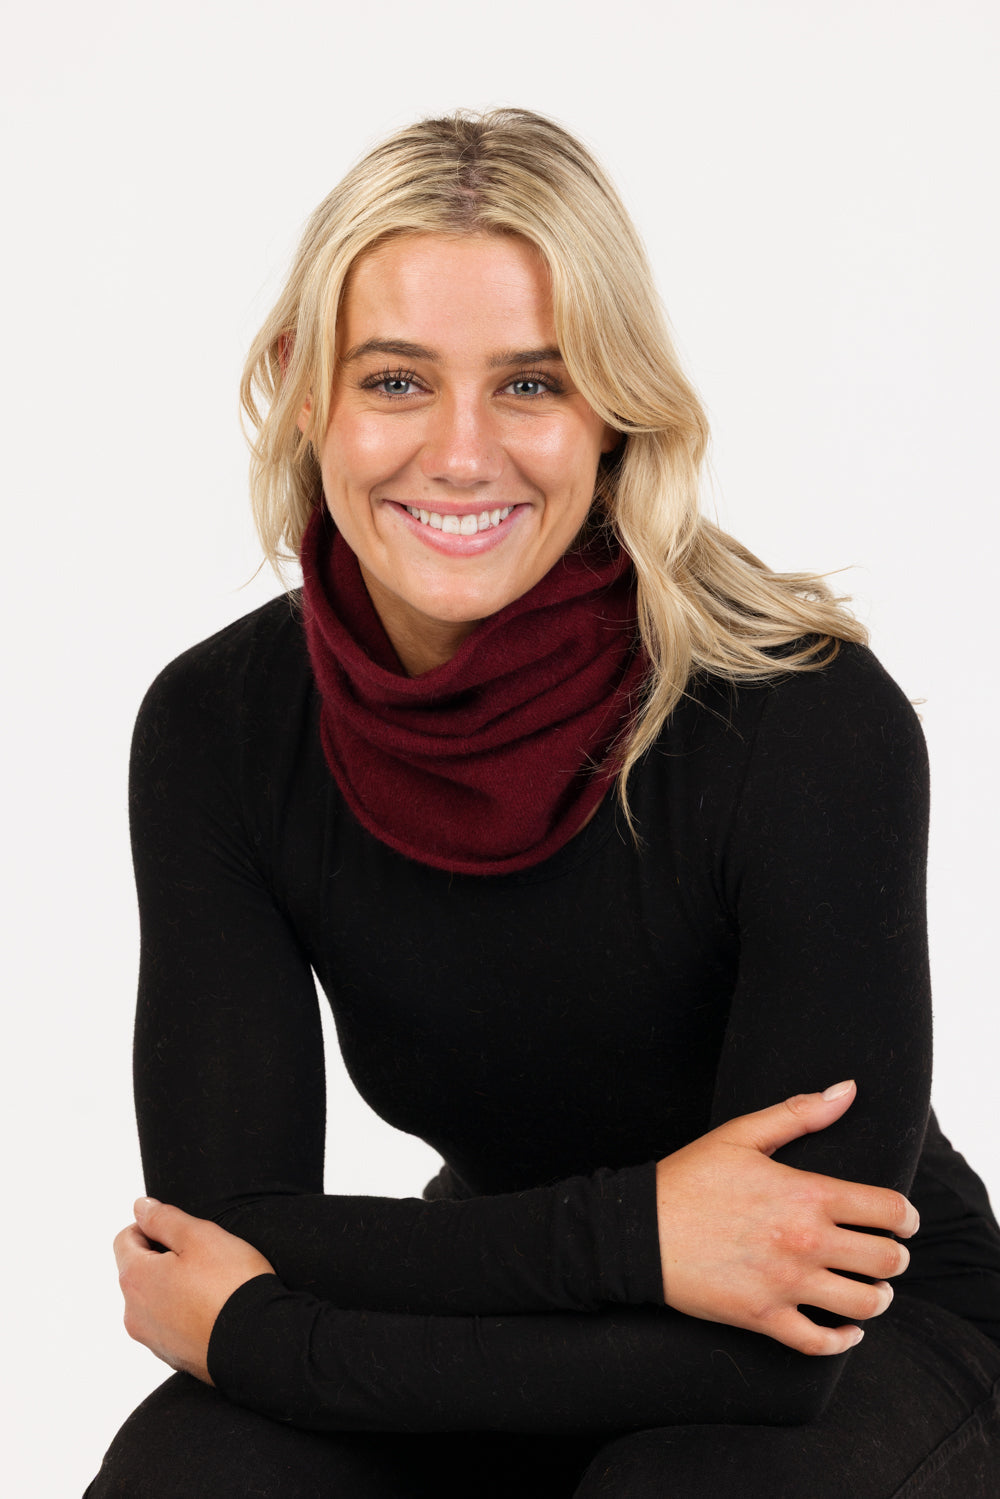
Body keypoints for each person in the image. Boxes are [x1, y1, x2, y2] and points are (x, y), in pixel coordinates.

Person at [88, 109, 1000, 1497]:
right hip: (511, 1299)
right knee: (196, 1469)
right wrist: (641, 1236)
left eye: (531, 383)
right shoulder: (220, 725)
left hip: (870, 1352)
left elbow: (778, 1354)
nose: (462, 455)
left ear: (616, 411)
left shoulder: (803, 717)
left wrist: (273, 1336)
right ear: (299, 388)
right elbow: (219, 1232)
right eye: (396, 380)